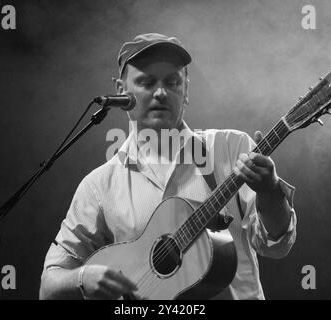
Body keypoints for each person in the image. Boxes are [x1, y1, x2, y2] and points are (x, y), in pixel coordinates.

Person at [39, 33, 297, 300]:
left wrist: (270, 191)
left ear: (186, 90)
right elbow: (49, 286)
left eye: (172, 82)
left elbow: (276, 245)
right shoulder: (99, 185)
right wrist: (83, 278)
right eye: (146, 82)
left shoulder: (231, 148)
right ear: (120, 90)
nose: (161, 92)